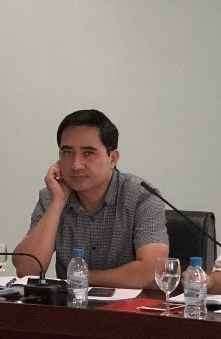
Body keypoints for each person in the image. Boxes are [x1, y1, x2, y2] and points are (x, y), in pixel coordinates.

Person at [13, 109, 167, 289]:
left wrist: (81, 277)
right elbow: (26, 269)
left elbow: (152, 271)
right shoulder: (53, 196)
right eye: (67, 153)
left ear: (112, 159)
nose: (76, 165)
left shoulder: (142, 198)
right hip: (70, 304)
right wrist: (57, 203)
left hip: (129, 305)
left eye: (88, 153)